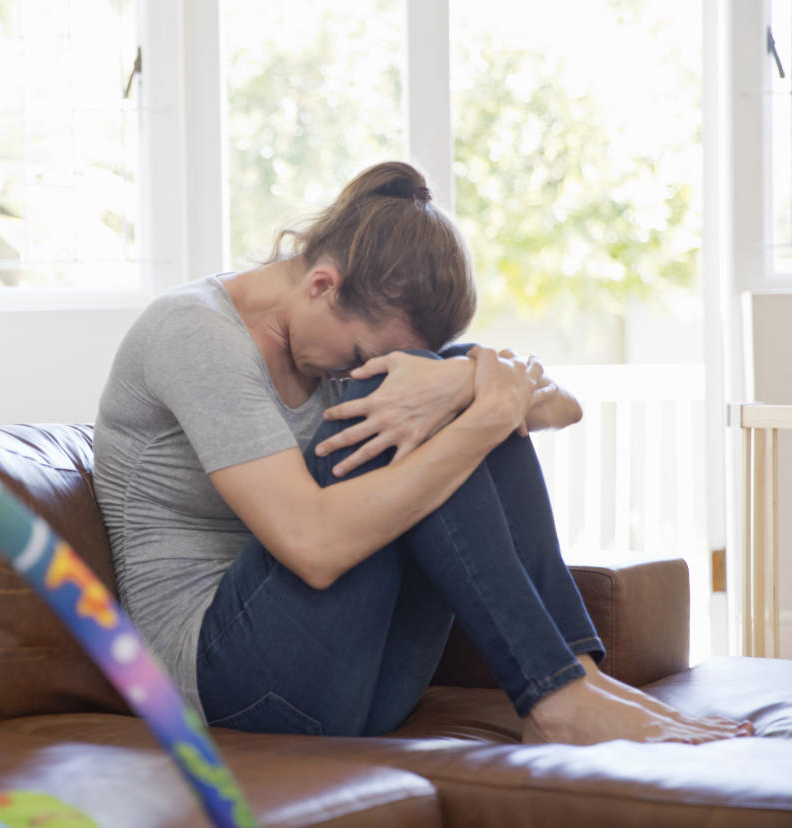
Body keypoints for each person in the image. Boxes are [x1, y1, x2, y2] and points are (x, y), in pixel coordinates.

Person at [93, 161, 750, 744]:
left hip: (363, 681)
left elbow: (563, 404)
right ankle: (554, 698)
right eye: (356, 355)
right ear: (322, 284)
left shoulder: (336, 328)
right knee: (424, 401)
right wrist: (476, 411)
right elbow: (312, 547)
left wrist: (460, 384)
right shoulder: (193, 333)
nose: (350, 371)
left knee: (445, 386)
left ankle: (574, 679)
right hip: (223, 685)